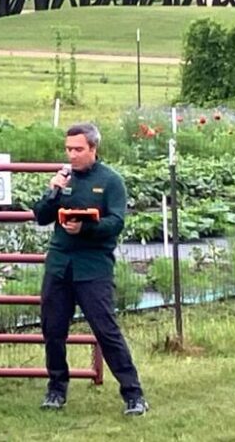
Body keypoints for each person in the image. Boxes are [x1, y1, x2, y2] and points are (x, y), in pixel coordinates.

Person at [32, 123, 149, 416]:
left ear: (93, 149)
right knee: (53, 330)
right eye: (68, 149)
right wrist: (52, 191)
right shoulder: (63, 178)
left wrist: (86, 226)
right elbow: (41, 217)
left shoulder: (111, 181)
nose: (72, 155)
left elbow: (117, 223)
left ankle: (133, 395)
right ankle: (56, 389)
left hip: (93, 267)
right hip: (60, 266)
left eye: (78, 149)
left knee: (106, 331)